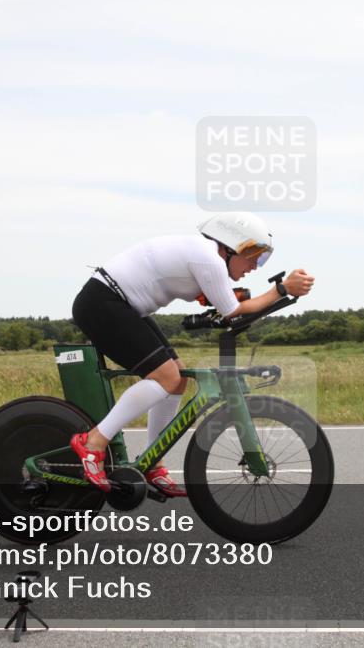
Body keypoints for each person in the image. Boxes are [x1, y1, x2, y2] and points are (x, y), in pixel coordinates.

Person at [70, 212, 314, 496]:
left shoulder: (207, 258)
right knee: (165, 377)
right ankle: (93, 442)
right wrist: (281, 289)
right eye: (253, 256)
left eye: (262, 259)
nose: (255, 266)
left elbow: (226, 307)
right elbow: (232, 311)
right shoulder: (207, 259)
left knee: (178, 378)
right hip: (103, 303)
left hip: (122, 304)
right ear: (232, 246)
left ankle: (151, 462)